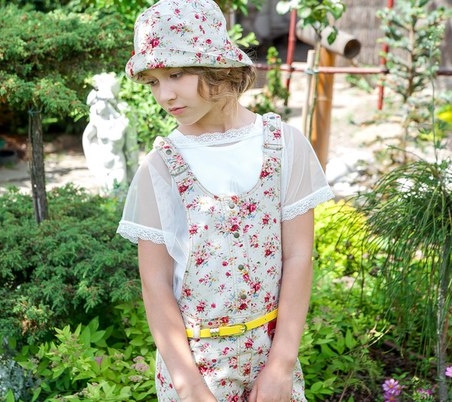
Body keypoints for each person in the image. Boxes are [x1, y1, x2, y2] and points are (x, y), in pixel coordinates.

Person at [116, 0, 334, 400]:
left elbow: (298, 256)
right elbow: (155, 283)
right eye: (152, 82)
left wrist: (281, 365)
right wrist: (191, 388)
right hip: (194, 370)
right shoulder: (160, 168)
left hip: (271, 357)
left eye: (176, 74)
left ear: (218, 67)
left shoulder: (284, 146)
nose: (164, 94)